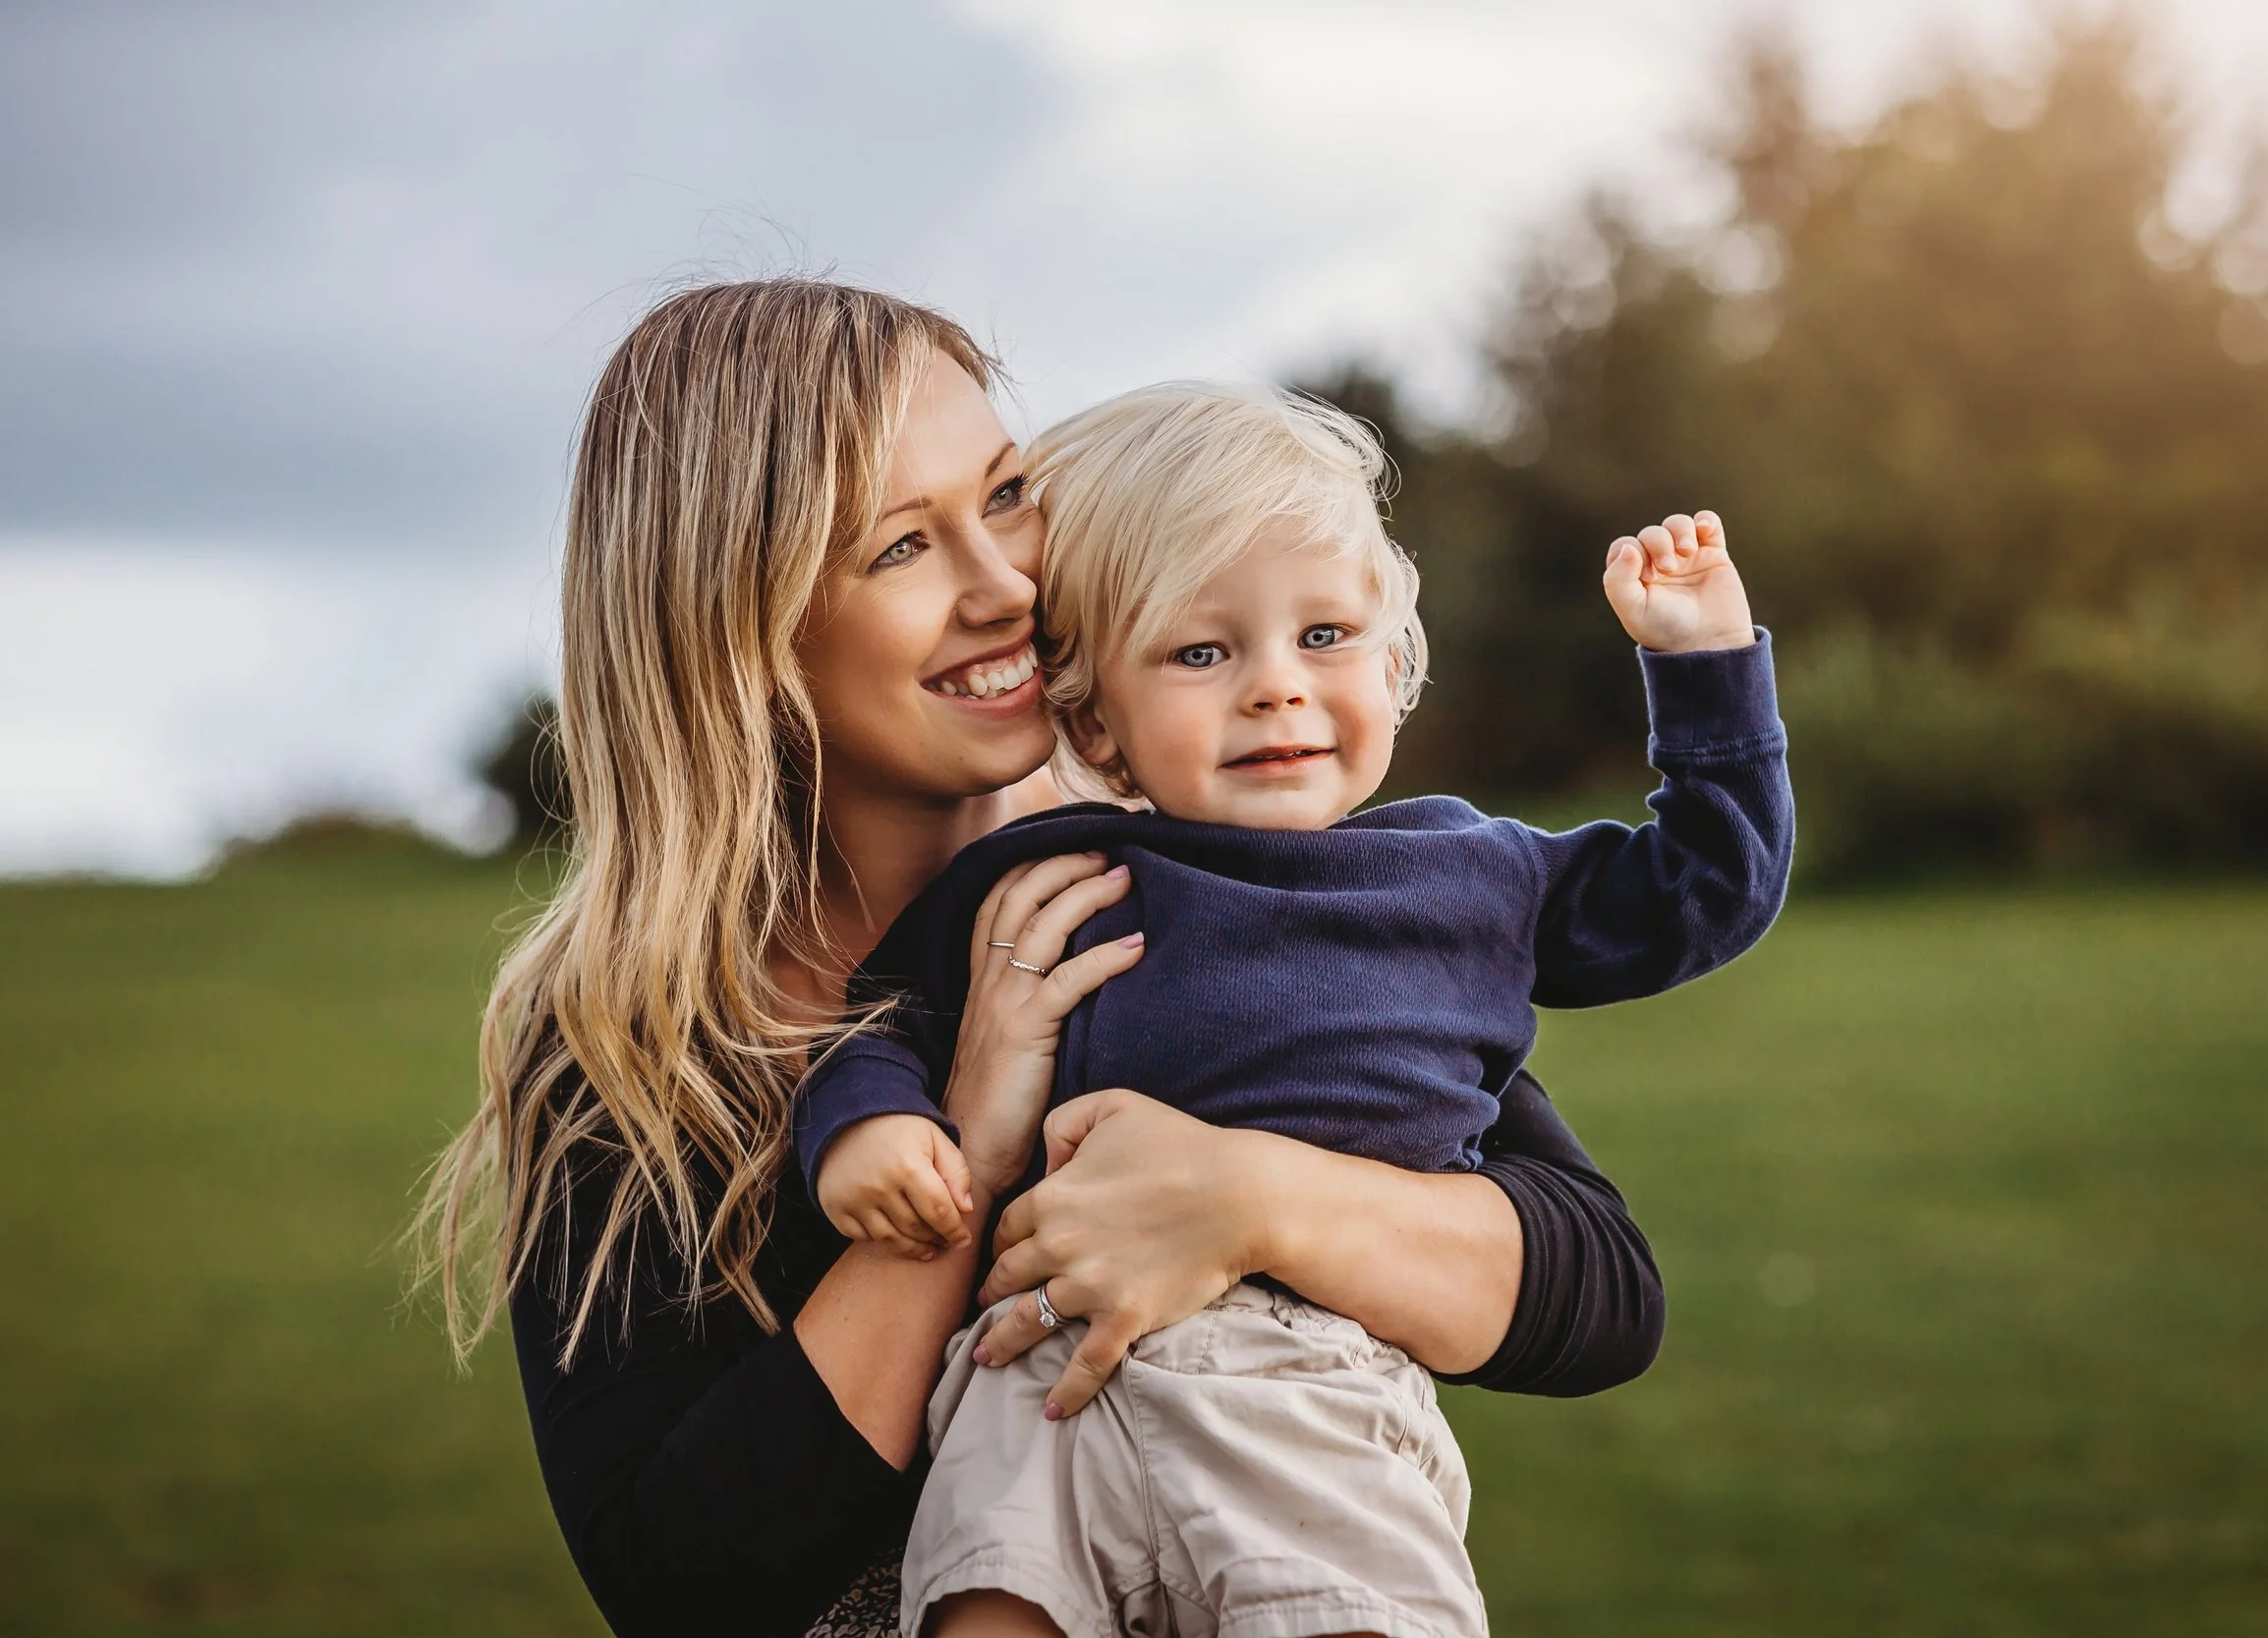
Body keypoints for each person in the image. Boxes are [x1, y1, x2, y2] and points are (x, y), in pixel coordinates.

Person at [417, 279, 1672, 1638]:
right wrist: (966, 1147)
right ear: (739, 626)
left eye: (1006, 494)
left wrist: (1249, 1196)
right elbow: (679, 1583)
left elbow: (1601, 1289)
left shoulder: (1182, 869)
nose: (1005, 583)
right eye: (903, 546)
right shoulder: (628, 1043)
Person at [796, 383, 1791, 1638]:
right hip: (1040, 1372)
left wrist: (1703, 670)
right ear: (1096, 720)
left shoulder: (1466, 876)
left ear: (1392, 662)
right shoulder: (1052, 879)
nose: (1275, 686)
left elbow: (1700, 890)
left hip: (1308, 1375)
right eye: (1201, 652)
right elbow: (879, 1023)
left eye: (1323, 633)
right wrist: (870, 1127)